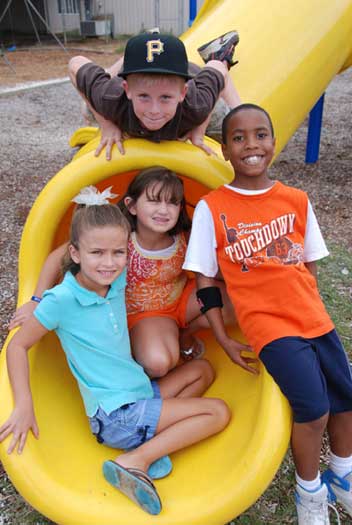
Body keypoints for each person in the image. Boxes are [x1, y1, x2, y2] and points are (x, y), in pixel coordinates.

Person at [0, 187, 231, 515]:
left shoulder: (116, 279)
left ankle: (148, 443)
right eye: (97, 253)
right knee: (217, 412)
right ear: (76, 254)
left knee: (203, 370)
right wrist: (23, 404)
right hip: (116, 415)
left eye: (117, 253)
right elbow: (18, 347)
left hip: (138, 393)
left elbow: (123, 254)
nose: (108, 263)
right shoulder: (62, 300)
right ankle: (135, 460)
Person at [183, 103, 352, 524]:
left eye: (260, 134)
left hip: (313, 318)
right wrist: (222, 337)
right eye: (238, 138)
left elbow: (308, 265)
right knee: (313, 408)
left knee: (346, 399)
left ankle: (343, 476)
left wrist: (309, 304)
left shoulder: (296, 200)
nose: (251, 145)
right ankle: (309, 492)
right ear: (225, 150)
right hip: (269, 327)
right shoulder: (211, 207)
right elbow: (205, 280)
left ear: (274, 142)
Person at [9, 168, 236, 378]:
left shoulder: (184, 237)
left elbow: (214, 269)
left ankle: (186, 332)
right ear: (132, 205)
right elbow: (57, 258)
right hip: (145, 314)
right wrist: (36, 300)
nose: (164, 210)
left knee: (239, 301)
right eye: (154, 200)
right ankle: (160, 343)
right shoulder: (121, 237)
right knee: (158, 363)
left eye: (173, 203)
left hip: (182, 300)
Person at [68, 30, 241, 159]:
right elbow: (75, 63)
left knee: (238, 120)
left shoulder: (196, 104)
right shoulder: (111, 98)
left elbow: (219, 70)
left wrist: (200, 128)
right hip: (129, 83)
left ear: (182, 93)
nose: (154, 110)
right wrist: (106, 124)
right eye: (144, 97)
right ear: (127, 90)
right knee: (89, 109)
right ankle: (139, 49)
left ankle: (218, 51)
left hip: (192, 76)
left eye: (165, 98)